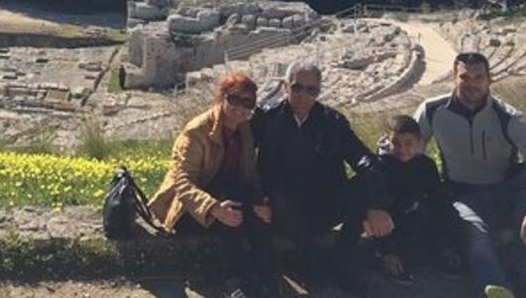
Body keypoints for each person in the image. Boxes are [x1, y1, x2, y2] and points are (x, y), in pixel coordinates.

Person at [416, 51, 526, 298]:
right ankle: (497, 289)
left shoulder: (507, 116)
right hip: (464, 193)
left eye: (478, 77)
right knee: (476, 235)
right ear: (454, 77)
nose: (472, 83)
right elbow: (408, 146)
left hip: (507, 187)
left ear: (489, 79)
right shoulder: (432, 111)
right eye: (465, 77)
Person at [252, 59, 393, 293]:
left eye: (311, 90)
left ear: (318, 92)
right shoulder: (266, 118)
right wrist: (258, 197)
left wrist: (377, 204)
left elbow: (364, 159)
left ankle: (343, 257)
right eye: (297, 87)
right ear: (285, 87)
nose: (303, 95)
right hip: (282, 207)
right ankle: (307, 258)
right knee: (281, 195)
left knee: (363, 184)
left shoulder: (333, 121)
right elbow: (244, 157)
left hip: (324, 203)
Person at [148, 73, 278, 298]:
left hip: (227, 196)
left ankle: (264, 276)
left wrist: (262, 202)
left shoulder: (245, 131)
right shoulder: (197, 130)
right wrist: (213, 208)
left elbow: (249, 175)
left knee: (253, 210)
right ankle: (232, 280)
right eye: (234, 99)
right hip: (191, 209)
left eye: (247, 103)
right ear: (221, 98)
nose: (240, 108)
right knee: (231, 207)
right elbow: (182, 183)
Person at [373, 113, 461, 286]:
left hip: (419, 213)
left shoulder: (425, 164)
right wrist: (387, 249)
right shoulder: (380, 166)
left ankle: (443, 251)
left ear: (419, 143)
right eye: (396, 143)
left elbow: (438, 198)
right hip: (393, 219)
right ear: (387, 140)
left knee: (446, 211)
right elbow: (377, 205)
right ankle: (390, 256)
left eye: (408, 144)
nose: (402, 149)